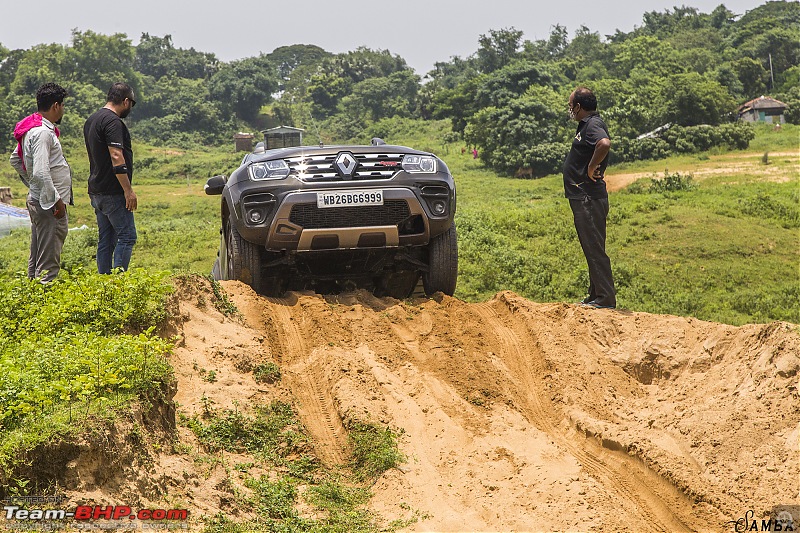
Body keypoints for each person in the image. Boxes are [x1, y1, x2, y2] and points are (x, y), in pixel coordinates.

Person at [9, 83, 71, 282]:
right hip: (48, 206)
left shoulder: (31, 130)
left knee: (36, 258)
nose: (62, 109)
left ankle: (31, 300)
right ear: (55, 106)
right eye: (62, 105)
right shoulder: (43, 133)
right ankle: (45, 303)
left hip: (38, 199)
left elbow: (15, 159)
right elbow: (42, 171)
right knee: (48, 264)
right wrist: (56, 200)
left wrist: (33, 184)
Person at [563, 87, 616, 309]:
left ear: (579, 106)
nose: (570, 110)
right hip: (585, 196)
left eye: (571, 105)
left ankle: (605, 299)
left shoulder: (593, 125)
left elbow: (604, 143)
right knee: (591, 246)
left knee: (594, 248)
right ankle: (595, 294)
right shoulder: (587, 125)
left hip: (588, 197)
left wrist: (592, 166)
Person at [83, 82, 138, 273]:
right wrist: (128, 190)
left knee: (106, 239)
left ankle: (104, 283)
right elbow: (116, 156)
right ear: (125, 101)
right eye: (132, 103)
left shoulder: (92, 120)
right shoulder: (113, 122)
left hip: (96, 190)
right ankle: (117, 283)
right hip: (113, 192)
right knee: (127, 236)